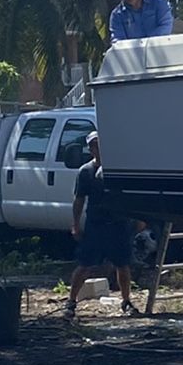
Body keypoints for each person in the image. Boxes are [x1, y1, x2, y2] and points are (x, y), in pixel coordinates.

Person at [64, 131, 139, 320]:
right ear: (90, 149)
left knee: (122, 265)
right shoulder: (85, 171)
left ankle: (126, 301)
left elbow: (130, 195)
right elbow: (79, 200)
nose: (98, 148)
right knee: (85, 265)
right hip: (95, 225)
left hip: (119, 224)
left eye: (100, 144)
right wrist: (75, 224)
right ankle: (71, 302)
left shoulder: (118, 169)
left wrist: (139, 218)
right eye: (94, 145)